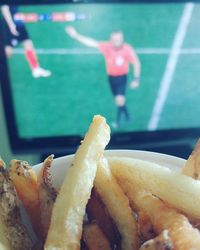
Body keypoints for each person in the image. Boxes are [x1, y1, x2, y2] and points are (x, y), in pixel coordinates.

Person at [66, 26, 141, 128]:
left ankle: (118, 122)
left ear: (122, 39)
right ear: (111, 39)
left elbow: (136, 63)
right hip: (111, 78)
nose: (116, 41)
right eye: (114, 39)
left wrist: (136, 79)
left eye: (118, 39)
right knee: (119, 101)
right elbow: (91, 43)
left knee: (119, 99)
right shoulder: (107, 46)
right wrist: (76, 36)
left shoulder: (127, 49)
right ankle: (127, 117)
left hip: (121, 78)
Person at [1, 5, 51, 78]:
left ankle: (36, 68)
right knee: (7, 51)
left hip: (18, 23)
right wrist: (11, 25)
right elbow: (4, 8)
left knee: (28, 44)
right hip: (9, 25)